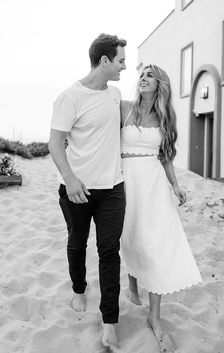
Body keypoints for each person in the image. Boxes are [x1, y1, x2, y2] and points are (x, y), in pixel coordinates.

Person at [49, 33, 126, 351]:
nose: (125, 66)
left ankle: (110, 321)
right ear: (105, 60)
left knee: (109, 252)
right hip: (77, 189)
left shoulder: (115, 94)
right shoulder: (70, 97)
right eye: (121, 60)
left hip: (112, 190)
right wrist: (70, 179)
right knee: (77, 243)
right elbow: (55, 143)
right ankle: (79, 289)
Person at [120, 64, 202, 352]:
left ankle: (155, 316)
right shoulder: (124, 108)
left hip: (153, 184)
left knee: (154, 243)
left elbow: (166, 156)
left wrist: (176, 185)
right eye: (141, 75)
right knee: (129, 236)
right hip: (125, 180)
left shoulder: (166, 116)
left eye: (150, 76)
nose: (143, 79)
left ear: (160, 84)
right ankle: (132, 283)